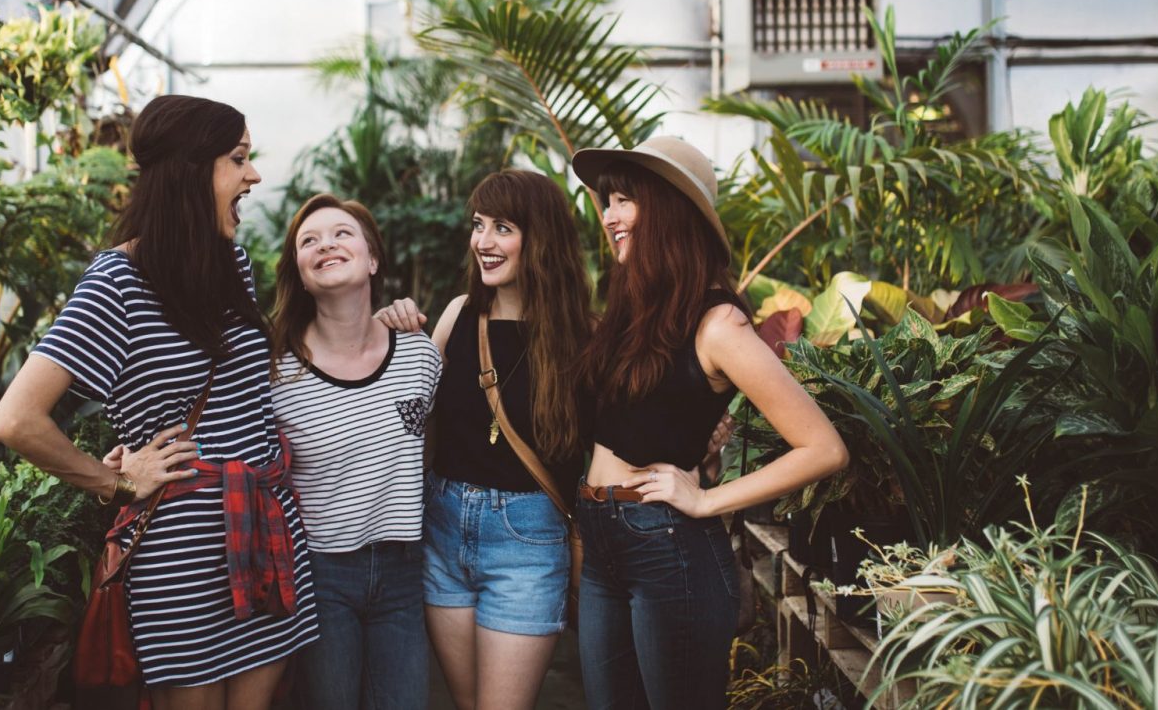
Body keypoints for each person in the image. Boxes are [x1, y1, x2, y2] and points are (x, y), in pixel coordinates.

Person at [0, 95, 317, 710]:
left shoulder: (232, 263)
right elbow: (15, 419)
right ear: (191, 170)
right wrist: (114, 482)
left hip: (265, 533)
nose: (253, 175)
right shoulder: (116, 282)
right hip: (183, 555)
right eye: (238, 159)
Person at [570, 136, 848, 710]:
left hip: (665, 547)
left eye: (625, 200)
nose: (609, 216)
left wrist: (705, 500)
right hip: (601, 542)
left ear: (668, 210)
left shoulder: (717, 322)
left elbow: (823, 448)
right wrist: (703, 449)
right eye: (608, 201)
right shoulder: (635, 309)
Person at [418, 169, 595, 710]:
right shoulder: (458, 314)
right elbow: (411, 412)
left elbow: (627, 431)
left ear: (540, 239)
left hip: (527, 542)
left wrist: (703, 442)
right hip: (444, 532)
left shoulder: (584, 338)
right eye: (478, 225)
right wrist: (382, 325)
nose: (484, 242)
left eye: (503, 228)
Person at [266, 194, 442, 710]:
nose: (326, 245)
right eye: (309, 241)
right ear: (300, 275)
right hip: (320, 576)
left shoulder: (418, 354)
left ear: (372, 260)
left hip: (403, 570)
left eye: (342, 234)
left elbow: (435, 444)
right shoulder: (277, 371)